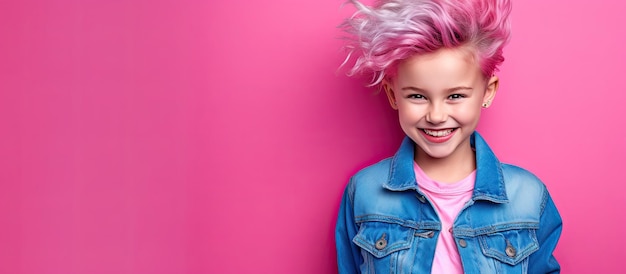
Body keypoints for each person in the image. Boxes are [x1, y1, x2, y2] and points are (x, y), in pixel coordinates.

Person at [334, 0, 563, 273]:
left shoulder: (527, 196)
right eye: (417, 96)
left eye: (455, 96)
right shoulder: (364, 192)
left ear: (487, 91)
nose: (436, 115)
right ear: (394, 95)